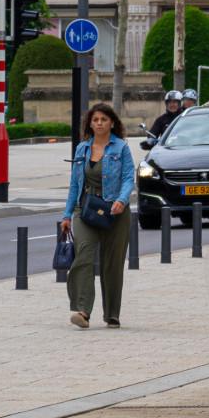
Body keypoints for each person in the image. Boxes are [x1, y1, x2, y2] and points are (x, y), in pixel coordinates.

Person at [62, 103, 136, 329]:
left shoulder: (121, 148)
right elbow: (74, 184)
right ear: (90, 124)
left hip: (114, 210)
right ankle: (83, 311)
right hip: (85, 208)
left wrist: (122, 200)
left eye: (104, 119)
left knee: (112, 263)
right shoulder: (82, 149)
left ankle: (112, 314)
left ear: (112, 123)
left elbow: (128, 178)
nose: (100, 123)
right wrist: (67, 214)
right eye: (95, 120)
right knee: (84, 254)